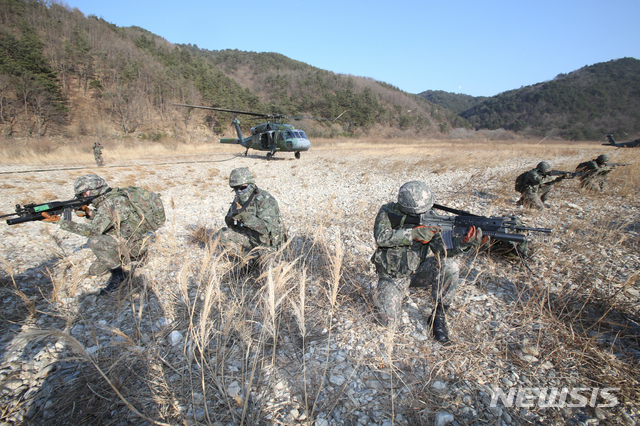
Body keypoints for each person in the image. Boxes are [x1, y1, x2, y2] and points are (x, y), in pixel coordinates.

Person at [370, 181, 486, 343]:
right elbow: (381, 237)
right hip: (393, 276)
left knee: (449, 265)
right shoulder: (387, 211)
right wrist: (413, 234)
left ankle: (439, 314)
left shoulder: (432, 216)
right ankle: (393, 292)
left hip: (418, 271)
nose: (427, 212)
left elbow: (443, 250)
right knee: (386, 323)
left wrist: (464, 243)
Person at [41, 174, 156, 295]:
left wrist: (60, 222)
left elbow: (92, 232)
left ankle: (120, 275)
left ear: (92, 191)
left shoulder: (110, 203)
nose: (82, 197)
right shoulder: (114, 196)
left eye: (83, 194)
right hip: (134, 237)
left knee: (94, 241)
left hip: (133, 242)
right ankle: (134, 256)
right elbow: (109, 218)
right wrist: (89, 213)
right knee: (95, 271)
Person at [215, 167, 286, 267]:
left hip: (268, 244)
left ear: (251, 185)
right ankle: (248, 262)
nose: (239, 191)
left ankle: (260, 260)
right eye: (235, 188)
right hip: (250, 237)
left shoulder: (266, 200)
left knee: (268, 278)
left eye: (242, 188)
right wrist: (232, 216)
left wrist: (244, 217)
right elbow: (230, 225)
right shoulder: (239, 198)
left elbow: (265, 228)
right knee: (222, 234)